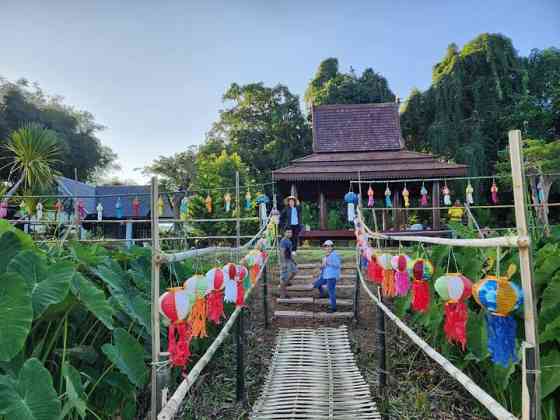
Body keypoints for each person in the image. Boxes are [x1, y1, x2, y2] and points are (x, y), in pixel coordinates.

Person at [313, 240, 341, 313]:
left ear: (332, 247)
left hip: (332, 276)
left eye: (330, 246)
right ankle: (322, 294)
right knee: (316, 284)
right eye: (326, 246)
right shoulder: (326, 255)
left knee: (331, 291)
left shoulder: (335, 254)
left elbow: (337, 265)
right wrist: (321, 268)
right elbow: (324, 266)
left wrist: (328, 262)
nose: (328, 247)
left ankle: (333, 307)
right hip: (325, 275)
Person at [279, 228, 298, 298]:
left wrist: (294, 261)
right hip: (285, 261)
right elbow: (282, 252)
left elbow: (289, 253)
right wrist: (283, 263)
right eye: (288, 232)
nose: (289, 234)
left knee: (295, 271)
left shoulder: (289, 241)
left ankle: (287, 282)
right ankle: (282, 295)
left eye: (290, 232)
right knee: (284, 277)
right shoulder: (283, 241)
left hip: (290, 260)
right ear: (284, 233)